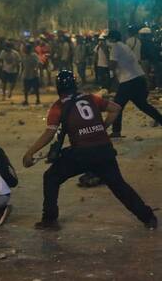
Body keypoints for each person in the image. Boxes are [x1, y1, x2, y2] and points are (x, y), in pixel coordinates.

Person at [22, 70, 157, 231]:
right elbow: (115, 108)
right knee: (119, 186)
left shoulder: (58, 107)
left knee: (51, 177)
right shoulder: (91, 98)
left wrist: (30, 152)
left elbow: (49, 134)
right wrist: (103, 127)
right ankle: (147, 217)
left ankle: (49, 220)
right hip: (104, 150)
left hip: (81, 154)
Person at [107, 30, 162, 138]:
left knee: (117, 106)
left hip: (129, 81)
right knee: (143, 105)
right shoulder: (124, 46)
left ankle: (116, 131)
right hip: (138, 79)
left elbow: (112, 65)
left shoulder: (115, 47)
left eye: (108, 38)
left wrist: (110, 73)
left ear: (112, 38)